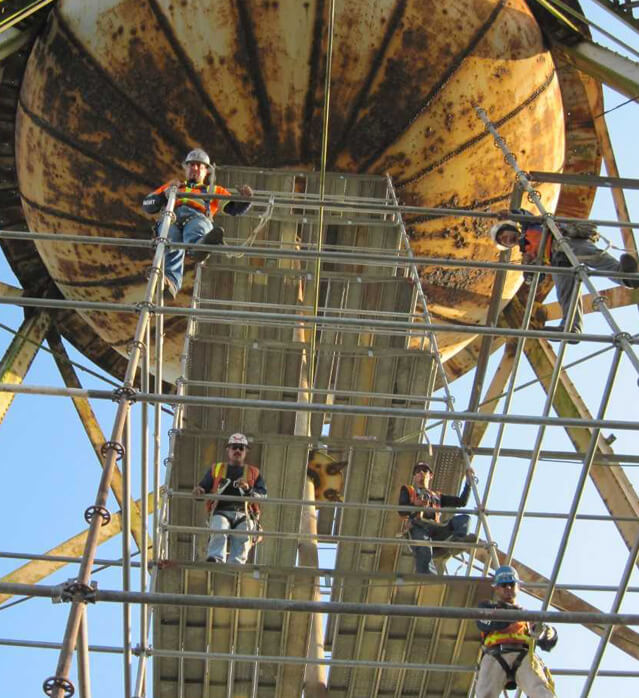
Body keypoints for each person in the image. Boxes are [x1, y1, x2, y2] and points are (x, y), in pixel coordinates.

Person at [489, 210, 639, 341]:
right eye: (503, 241)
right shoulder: (526, 254)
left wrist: (510, 214)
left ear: (511, 228)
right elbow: (535, 278)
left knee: (597, 258)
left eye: (504, 234)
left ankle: (627, 277)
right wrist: (528, 269)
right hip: (558, 263)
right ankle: (571, 329)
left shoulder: (530, 226)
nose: (506, 239)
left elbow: (524, 215)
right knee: (566, 294)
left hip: (567, 242)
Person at [142, 149, 254, 298]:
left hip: (198, 217)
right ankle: (170, 284)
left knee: (196, 229)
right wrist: (164, 194)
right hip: (172, 217)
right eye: (191, 165)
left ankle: (199, 247)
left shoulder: (213, 190)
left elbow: (234, 209)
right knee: (170, 241)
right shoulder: (174, 187)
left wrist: (246, 200)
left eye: (199, 166)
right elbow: (148, 204)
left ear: (206, 171)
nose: (195, 169)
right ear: (186, 168)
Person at [475, 565, 558, 697]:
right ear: (496, 588)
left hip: (523, 655)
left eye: (511, 584)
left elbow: (548, 643)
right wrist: (513, 615)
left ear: (518, 587)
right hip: (496, 654)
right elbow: (484, 623)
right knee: (485, 694)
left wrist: (548, 633)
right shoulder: (488, 607)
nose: (508, 588)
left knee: (542, 692)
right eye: (503, 585)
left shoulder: (527, 616)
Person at [192, 433, 266, 564]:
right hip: (221, 510)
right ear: (228, 449)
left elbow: (262, 494)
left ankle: (236, 564)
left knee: (242, 537)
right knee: (219, 529)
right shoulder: (217, 468)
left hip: (245, 514)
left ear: (246, 451)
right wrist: (200, 490)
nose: (237, 450)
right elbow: (204, 486)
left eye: (241, 448)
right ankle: (216, 559)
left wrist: (248, 489)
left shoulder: (253, 472)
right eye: (234, 447)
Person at [398, 461, 477, 574]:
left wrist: (468, 483)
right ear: (414, 477)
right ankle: (428, 576)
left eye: (425, 471)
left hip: (436, 530)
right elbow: (401, 510)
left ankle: (457, 542)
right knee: (423, 545)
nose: (421, 473)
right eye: (418, 471)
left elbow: (461, 502)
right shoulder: (409, 490)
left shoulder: (437, 496)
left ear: (431, 476)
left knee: (464, 519)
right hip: (418, 527)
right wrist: (415, 504)